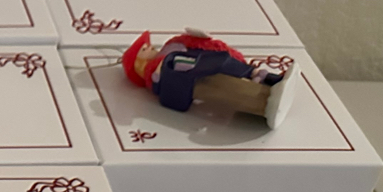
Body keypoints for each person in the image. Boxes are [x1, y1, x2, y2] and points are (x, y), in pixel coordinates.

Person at [121, 28, 296, 127]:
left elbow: (186, 50)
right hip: (193, 80)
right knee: (227, 88)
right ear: (138, 63)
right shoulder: (154, 73)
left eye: (147, 45)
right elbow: (163, 78)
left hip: (203, 65)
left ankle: (272, 81)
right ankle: (265, 103)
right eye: (144, 49)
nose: (150, 47)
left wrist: (197, 41)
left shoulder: (169, 47)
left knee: (232, 67)